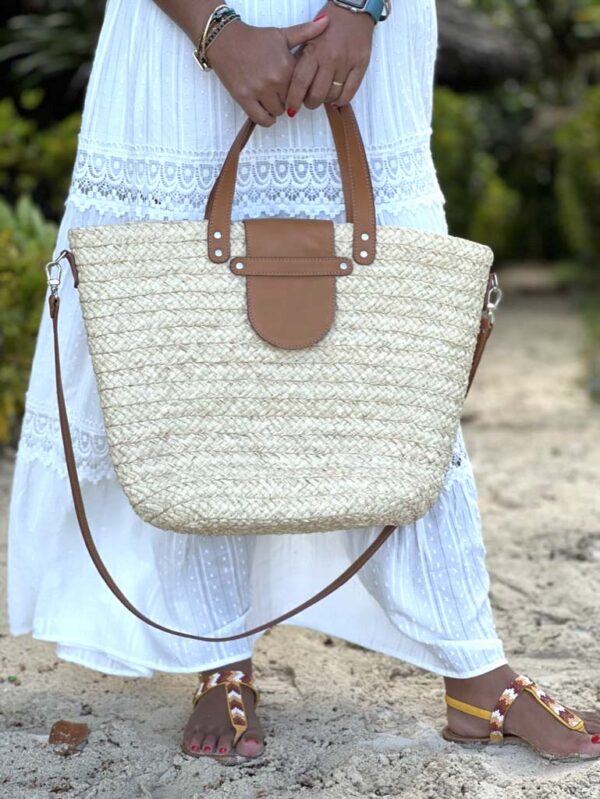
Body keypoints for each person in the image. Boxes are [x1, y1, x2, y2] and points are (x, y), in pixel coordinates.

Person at [7, 0, 600, 765]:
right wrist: (214, 30)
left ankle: (473, 662)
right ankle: (219, 648)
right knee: (190, 333)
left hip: (362, 28)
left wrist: (364, 7)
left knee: (393, 347)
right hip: (183, 31)